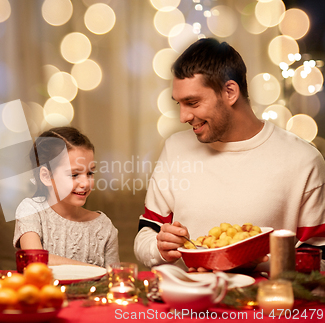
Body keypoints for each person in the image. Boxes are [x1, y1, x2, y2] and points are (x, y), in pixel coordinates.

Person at [134, 38, 325, 270]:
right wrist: (159, 248)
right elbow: (146, 234)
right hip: (187, 302)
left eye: (192, 102)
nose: (183, 116)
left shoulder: (303, 160)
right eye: (179, 104)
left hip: (261, 304)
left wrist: (261, 263)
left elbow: (318, 259)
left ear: (230, 92)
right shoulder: (175, 148)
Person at [13, 127, 119, 267]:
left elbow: (114, 279)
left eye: (90, 173)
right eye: (74, 174)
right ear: (46, 176)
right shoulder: (30, 210)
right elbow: (35, 260)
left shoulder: (104, 226)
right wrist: (94, 270)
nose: (86, 183)